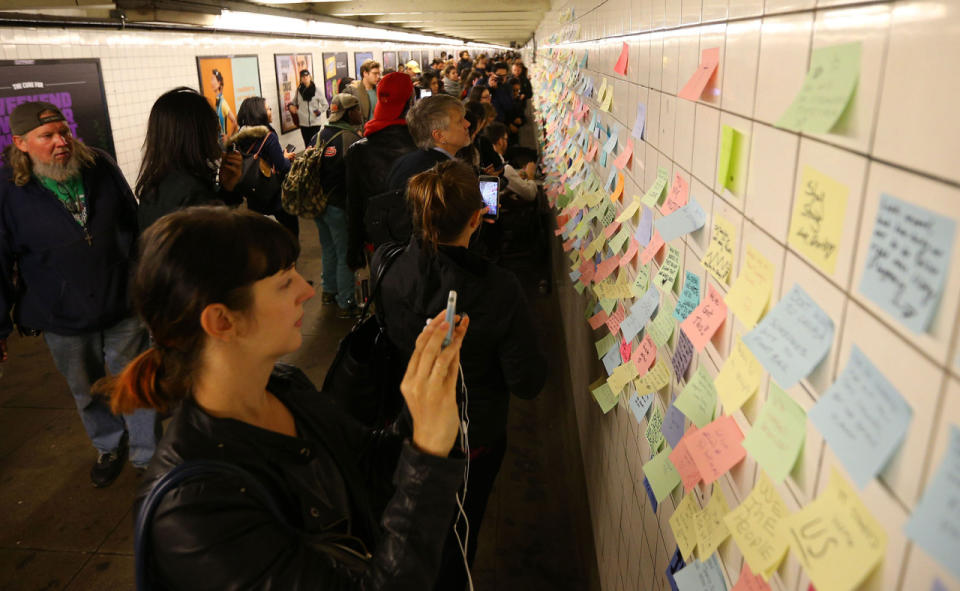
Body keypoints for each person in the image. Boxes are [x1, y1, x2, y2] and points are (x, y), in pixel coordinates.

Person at [103, 206, 469, 589]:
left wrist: (426, 400)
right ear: (222, 321)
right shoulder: (193, 510)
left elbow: (369, 468)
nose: (307, 289)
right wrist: (427, 455)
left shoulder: (284, 386)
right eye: (284, 281)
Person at [372, 160, 546, 591]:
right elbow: (527, 381)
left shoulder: (390, 266)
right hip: (473, 438)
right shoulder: (498, 287)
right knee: (458, 538)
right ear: (477, 218)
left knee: (420, 528)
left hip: (409, 423)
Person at [0, 101, 158, 487]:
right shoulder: (8, 190)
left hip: (122, 301)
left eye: (64, 132)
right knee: (86, 389)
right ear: (21, 143)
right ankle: (108, 444)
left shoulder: (98, 165)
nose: (61, 142)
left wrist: (148, 280)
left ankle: (147, 455)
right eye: (47, 136)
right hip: (63, 315)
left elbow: (134, 220)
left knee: (134, 382)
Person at [136, 87, 244, 231]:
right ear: (197, 137)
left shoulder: (152, 187)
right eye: (215, 130)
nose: (218, 138)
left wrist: (227, 190)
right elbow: (224, 241)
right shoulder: (194, 197)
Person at [344, 72, 417, 271]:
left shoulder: (358, 151)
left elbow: (354, 206)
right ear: (411, 102)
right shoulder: (424, 146)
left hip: (377, 244)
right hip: (417, 242)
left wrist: (353, 250)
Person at [310, 94, 364, 318]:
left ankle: (328, 291)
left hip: (317, 204)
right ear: (348, 112)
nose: (360, 113)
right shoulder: (351, 139)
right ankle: (346, 300)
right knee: (344, 253)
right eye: (357, 109)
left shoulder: (318, 135)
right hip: (340, 206)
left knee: (328, 249)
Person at [232, 96, 299, 238]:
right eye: (268, 108)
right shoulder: (268, 136)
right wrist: (285, 158)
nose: (270, 111)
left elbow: (258, 157)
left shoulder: (240, 135)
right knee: (289, 234)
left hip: (254, 194)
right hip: (274, 194)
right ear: (259, 113)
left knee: (263, 237)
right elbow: (282, 166)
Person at [386, 94, 472, 195]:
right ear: (439, 136)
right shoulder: (445, 176)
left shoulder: (402, 162)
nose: (468, 124)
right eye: (459, 121)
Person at [484, 122, 537, 201]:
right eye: (505, 139)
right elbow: (530, 194)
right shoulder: (504, 169)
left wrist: (516, 177)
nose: (507, 142)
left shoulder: (491, 162)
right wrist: (530, 175)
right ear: (500, 141)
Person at [288, 69, 328, 148]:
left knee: (314, 145)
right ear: (301, 79)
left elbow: (325, 105)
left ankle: (316, 160)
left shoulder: (317, 90)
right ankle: (308, 160)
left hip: (315, 123)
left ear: (310, 77)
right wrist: (290, 106)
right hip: (303, 124)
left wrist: (319, 111)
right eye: (303, 77)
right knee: (307, 145)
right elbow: (293, 102)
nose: (305, 78)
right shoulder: (299, 91)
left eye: (307, 76)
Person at [209, 69, 238, 144]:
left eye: (212, 79)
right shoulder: (218, 100)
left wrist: (228, 136)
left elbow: (235, 121)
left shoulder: (222, 102)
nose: (211, 82)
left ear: (219, 83)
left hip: (222, 144)